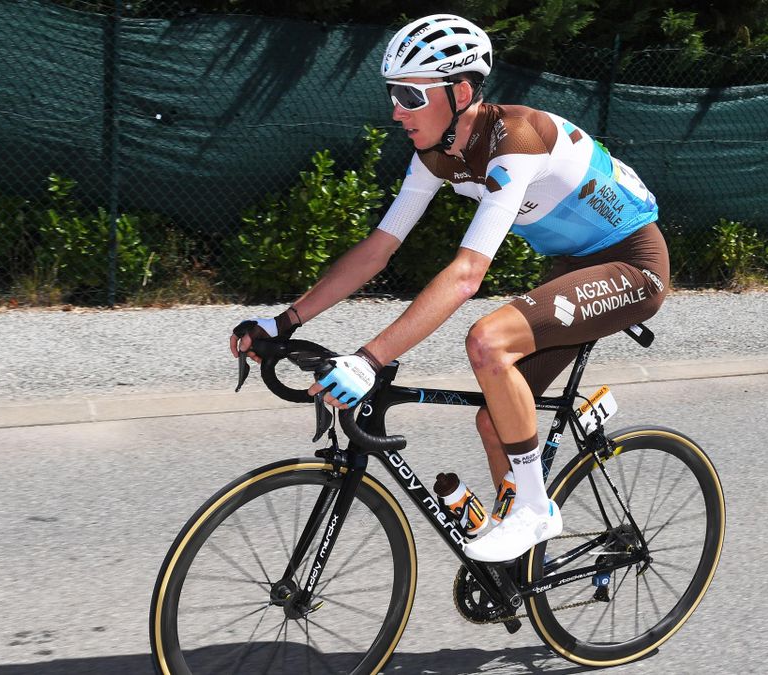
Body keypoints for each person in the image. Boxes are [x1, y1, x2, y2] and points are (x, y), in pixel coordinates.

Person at [231, 14, 669, 563]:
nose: (396, 110)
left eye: (410, 96)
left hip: (632, 264)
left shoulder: (517, 140)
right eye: (393, 94)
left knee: (488, 342)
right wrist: (282, 322)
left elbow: (466, 275)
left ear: (460, 93)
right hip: (570, 267)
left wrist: (369, 359)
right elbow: (378, 249)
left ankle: (536, 510)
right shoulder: (436, 154)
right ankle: (519, 564)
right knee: (495, 419)